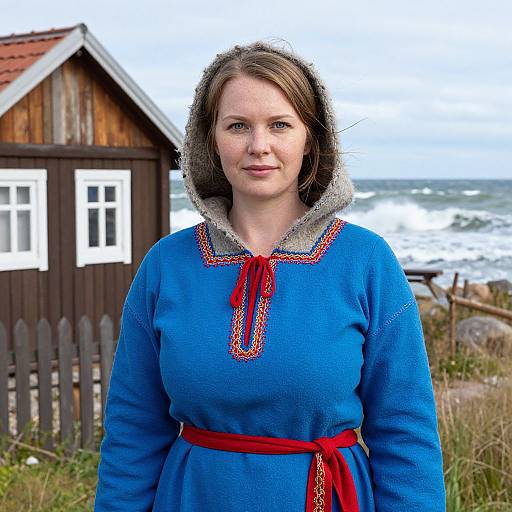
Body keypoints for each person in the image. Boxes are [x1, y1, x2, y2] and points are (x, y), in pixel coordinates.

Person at [94, 41, 446, 511]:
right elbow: (133, 430)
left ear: (311, 138)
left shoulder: (366, 262)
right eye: (237, 125)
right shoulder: (167, 266)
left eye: (280, 124)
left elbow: (406, 434)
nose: (259, 146)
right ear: (210, 140)